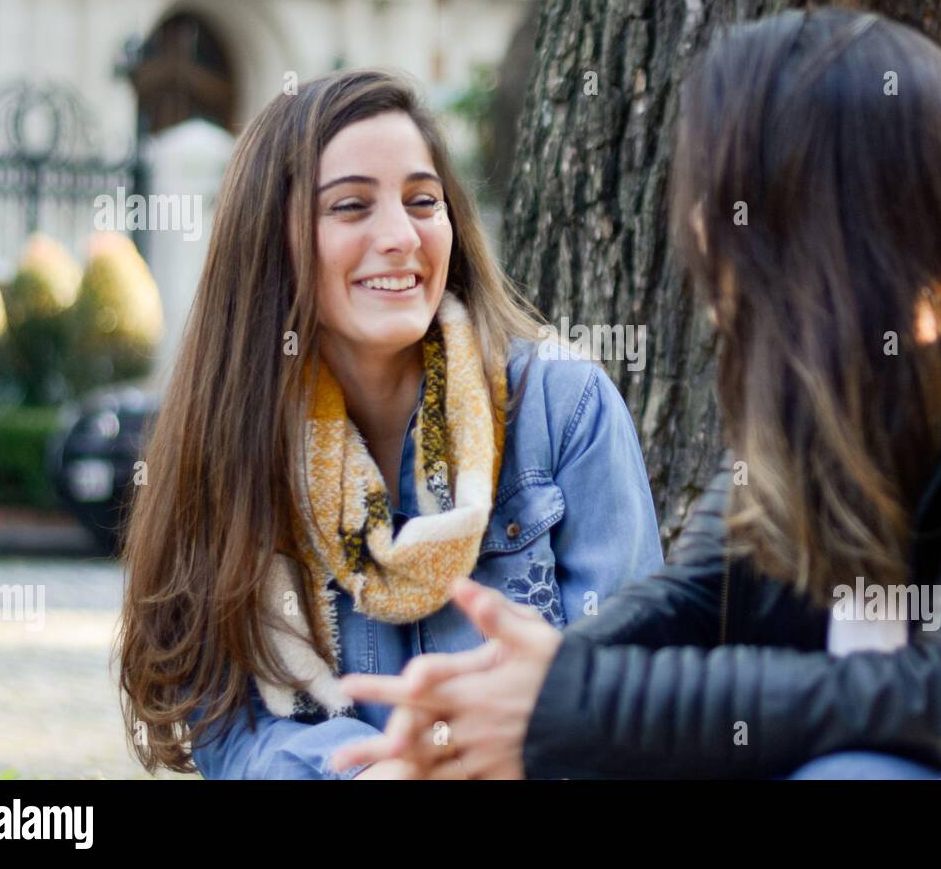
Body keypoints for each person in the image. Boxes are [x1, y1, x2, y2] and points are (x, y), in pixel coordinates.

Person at [332, 9, 941, 780]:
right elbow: (700, 598)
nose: (700, 226)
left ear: (822, 210)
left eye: (726, 189)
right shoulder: (829, 383)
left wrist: (573, 701)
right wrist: (519, 688)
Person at [117, 69, 662, 779]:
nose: (401, 236)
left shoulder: (564, 408)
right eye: (350, 207)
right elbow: (226, 720)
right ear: (271, 239)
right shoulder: (231, 441)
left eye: (422, 201)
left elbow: (636, 696)